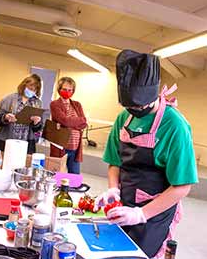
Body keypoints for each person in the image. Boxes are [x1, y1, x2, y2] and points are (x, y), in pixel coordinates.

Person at [94, 50, 198, 258]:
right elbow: (115, 162)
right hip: (124, 205)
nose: (133, 110)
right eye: (128, 105)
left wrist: (141, 214)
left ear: (153, 95)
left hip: (155, 214)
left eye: (138, 105)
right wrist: (114, 189)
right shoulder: (124, 118)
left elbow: (182, 187)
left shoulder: (174, 126)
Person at [0, 74, 43, 154]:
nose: (32, 91)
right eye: (30, 88)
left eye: (35, 90)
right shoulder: (10, 99)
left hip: (26, 145)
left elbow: (39, 128)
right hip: (7, 142)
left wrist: (36, 123)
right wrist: (5, 117)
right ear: (24, 85)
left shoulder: (37, 103)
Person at [50, 77, 87, 174]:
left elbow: (84, 123)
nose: (67, 92)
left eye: (70, 90)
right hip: (61, 147)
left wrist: (69, 123)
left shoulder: (77, 105)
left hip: (75, 147)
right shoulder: (55, 104)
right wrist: (76, 122)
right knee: (56, 177)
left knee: (74, 178)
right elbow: (64, 121)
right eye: (64, 89)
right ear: (59, 89)